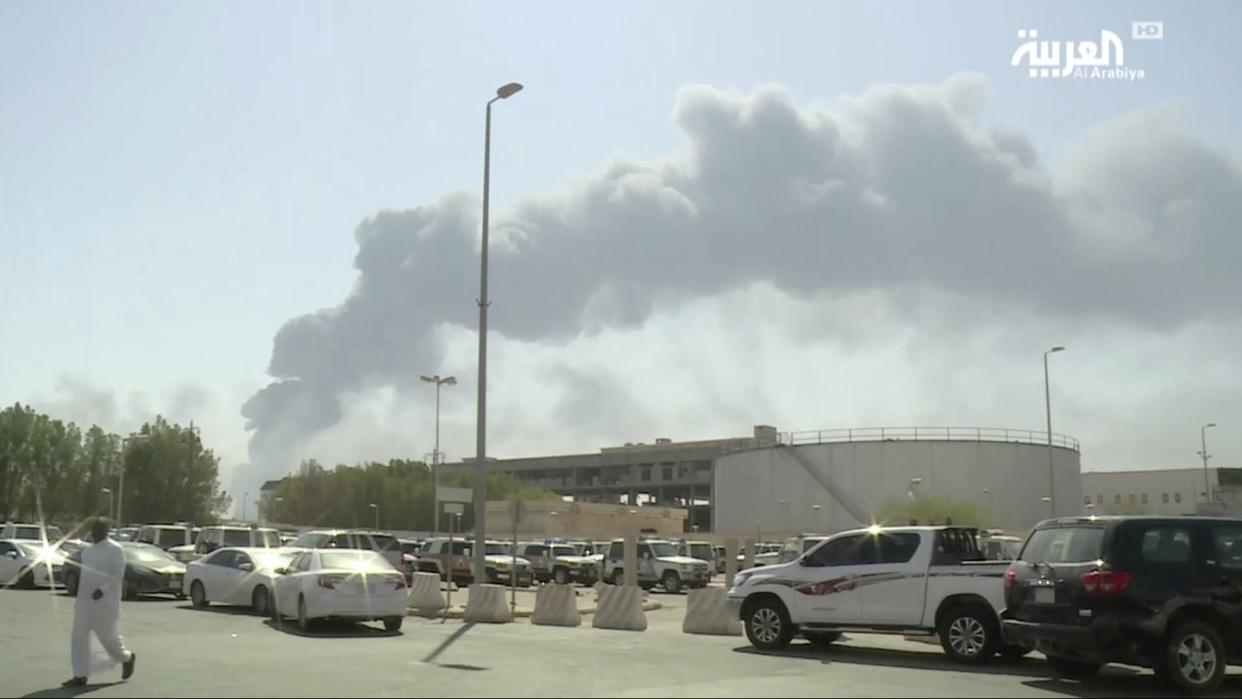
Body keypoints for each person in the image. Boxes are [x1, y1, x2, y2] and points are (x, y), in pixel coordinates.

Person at [64, 519, 136, 687]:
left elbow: (118, 574)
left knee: (109, 639)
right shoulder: (87, 551)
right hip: (84, 602)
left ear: (106, 531)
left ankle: (127, 658)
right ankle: (80, 675)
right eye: (93, 529)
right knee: (78, 638)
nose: (95, 533)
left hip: (105, 603)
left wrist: (103, 589)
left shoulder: (115, 549)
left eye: (99, 530)